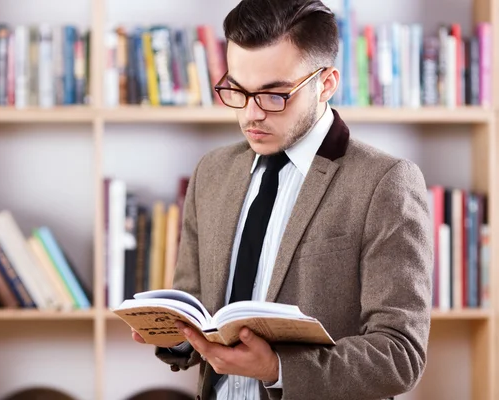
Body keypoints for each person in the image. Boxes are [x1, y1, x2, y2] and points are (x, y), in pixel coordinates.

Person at [130, 0, 433, 399]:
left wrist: (278, 368)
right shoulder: (212, 173)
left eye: (274, 95)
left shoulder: (385, 182)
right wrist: (174, 334)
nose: (251, 115)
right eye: (237, 89)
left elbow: (400, 355)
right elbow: (198, 306)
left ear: (326, 83)